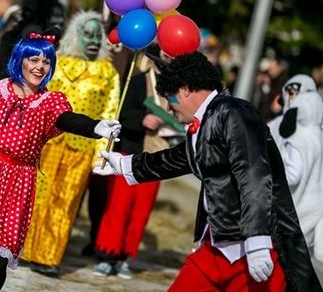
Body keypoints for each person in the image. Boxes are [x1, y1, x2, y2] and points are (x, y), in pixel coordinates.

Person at [94, 51, 321, 291]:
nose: (169, 109)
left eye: (169, 98)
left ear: (185, 90)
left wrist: (257, 240)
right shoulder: (207, 120)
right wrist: (124, 164)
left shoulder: (234, 112)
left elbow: (254, 174)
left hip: (256, 254)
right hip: (215, 248)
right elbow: (177, 159)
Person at [0, 29, 121, 292]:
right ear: (20, 59)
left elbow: (67, 119)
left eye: (46, 62)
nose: (40, 67)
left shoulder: (50, 102)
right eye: (34, 59)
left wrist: (96, 126)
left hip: (16, 185)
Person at [21, 10, 120, 277]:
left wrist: (102, 156)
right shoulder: (57, 62)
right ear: (76, 35)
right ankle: (25, 249)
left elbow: (110, 113)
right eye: (87, 34)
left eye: (98, 36)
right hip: (49, 143)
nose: (93, 40)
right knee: (38, 198)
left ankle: (48, 257)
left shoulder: (108, 72)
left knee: (65, 203)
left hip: (83, 148)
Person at [91, 47, 181, 279]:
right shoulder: (138, 81)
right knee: (118, 207)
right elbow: (121, 115)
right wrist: (142, 119)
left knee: (140, 211)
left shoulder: (178, 91)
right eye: (165, 58)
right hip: (131, 152)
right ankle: (106, 254)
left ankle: (124, 257)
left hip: (157, 156)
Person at [267, 74, 323, 263]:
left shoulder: (298, 134)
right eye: (290, 91)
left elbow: (292, 174)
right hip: (305, 214)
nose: (293, 97)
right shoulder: (278, 126)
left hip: (289, 211)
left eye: (297, 92)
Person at [0, 0, 64, 80]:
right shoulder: (12, 40)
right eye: (54, 23)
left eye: (60, 23)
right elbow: (2, 75)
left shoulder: (58, 46)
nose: (58, 28)